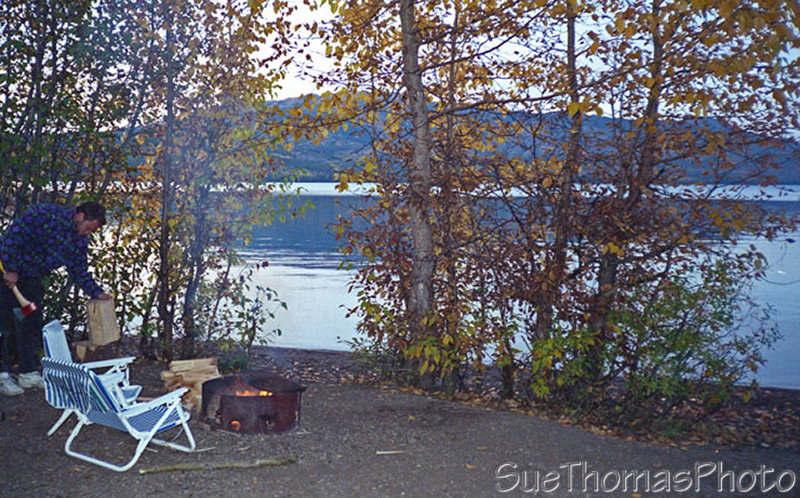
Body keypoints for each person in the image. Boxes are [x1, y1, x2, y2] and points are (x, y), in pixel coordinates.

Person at [0, 201, 113, 396]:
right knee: (3, 324)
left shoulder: (78, 239)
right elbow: (13, 237)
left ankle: (27, 373)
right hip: (5, 271)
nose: (88, 233)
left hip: (30, 279)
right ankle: (2, 376)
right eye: (88, 228)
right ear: (79, 216)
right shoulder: (44, 214)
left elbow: (78, 269)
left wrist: (95, 292)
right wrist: (10, 268)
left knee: (31, 320)